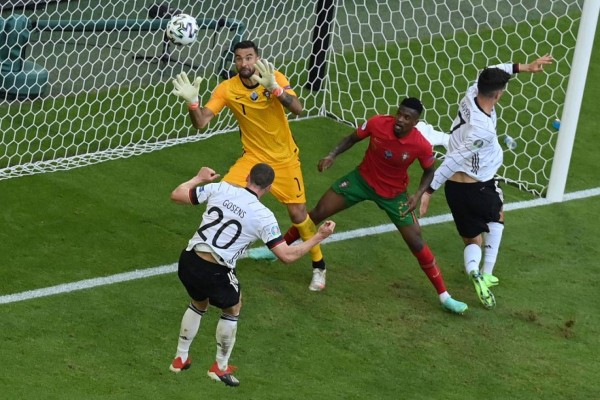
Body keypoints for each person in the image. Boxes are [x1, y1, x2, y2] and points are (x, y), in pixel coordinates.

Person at [281, 97, 468, 314]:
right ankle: (282, 247)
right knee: (318, 212)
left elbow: (429, 171)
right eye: (399, 113)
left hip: (394, 195)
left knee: (416, 241)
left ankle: (445, 297)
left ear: (415, 122)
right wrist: (331, 155)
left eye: (407, 118)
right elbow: (351, 139)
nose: (400, 120)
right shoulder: (378, 123)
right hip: (361, 181)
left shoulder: (421, 145)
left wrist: (417, 195)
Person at [170, 40, 329, 292]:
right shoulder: (227, 88)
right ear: (234, 61)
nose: (244, 63)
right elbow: (201, 123)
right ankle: (219, 254)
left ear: (257, 58)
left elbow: (298, 109)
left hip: (285, 159)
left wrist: (275, 89)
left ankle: (319, 266)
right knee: (223, 195)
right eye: (239, 58)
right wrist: (192, 103)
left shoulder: (273, 76)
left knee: (298, 215)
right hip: (252, 158)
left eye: (249, 57)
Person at [168, 163, 336, 386]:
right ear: (268, 188)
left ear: (247, 177)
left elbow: (177, 195)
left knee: (199, 303)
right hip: (216, 270)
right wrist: (319, 237)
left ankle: (180, 358)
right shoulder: (264, 216)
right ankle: (220, 367)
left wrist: (199, 178)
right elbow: (286, 256)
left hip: (189, 260)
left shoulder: (222, 188)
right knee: (233, 307)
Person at [419, 54, 554, 309]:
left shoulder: (472, 92)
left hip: (455, 190)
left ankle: (473, 273)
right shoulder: (482, 129)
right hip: (478, 184)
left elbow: (492, 69)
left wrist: (524, 67)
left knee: (472, 240)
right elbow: (455, 160)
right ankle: (487, 272)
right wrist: (428, 190)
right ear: (499, 95)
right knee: (498, 216)